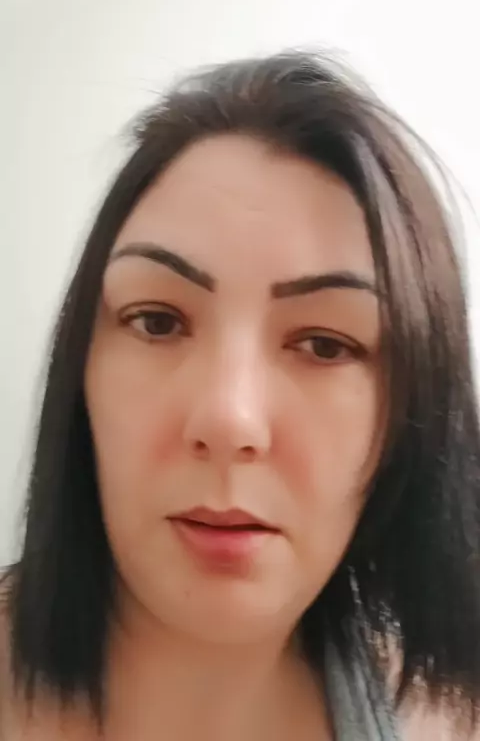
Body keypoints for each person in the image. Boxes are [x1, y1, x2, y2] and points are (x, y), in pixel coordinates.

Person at [1, 50, 480, 740]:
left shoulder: (447, 721)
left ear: (410, 411)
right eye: (157, 322)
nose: (229, 420)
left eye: (325, 345)